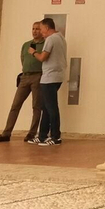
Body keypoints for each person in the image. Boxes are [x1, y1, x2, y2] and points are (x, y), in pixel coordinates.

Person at [0, 21, 45, 143]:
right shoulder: (26, 45)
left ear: (42, 31)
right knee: (15, 105)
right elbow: (23, 58)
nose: (35, 31)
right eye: (33, 29)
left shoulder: (45, 44)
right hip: (25, 77)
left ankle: (31, 134)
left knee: (36, 106)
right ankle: (6, 133)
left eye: (37, 29)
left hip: (38, 76)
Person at [29, 17, 66, 146]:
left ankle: (56, 136)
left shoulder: (50, 39)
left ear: (46, 27)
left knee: (51, 108)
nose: (40, 32)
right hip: (57, 76)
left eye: (41, 29)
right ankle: (43, 135)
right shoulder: (61, 38)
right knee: (45, 107)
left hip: (49, 77)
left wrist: (33, 52)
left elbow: (43, 57)